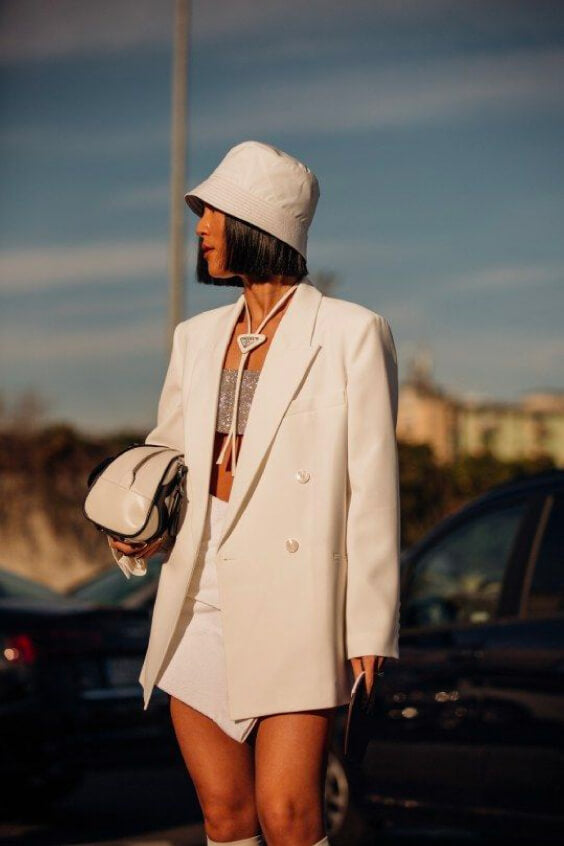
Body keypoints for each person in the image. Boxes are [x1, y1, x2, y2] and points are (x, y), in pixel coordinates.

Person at [109, 140, 401, 846]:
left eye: (210, 212)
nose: (201, 228)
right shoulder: (195, 338)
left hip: (297, 603)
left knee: (290, 815)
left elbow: (371, 486)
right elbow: (170, 462)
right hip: (200, 596)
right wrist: (142, 527)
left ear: (256, 220)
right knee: (224, 816)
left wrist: (368, 624)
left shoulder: (351, 334)